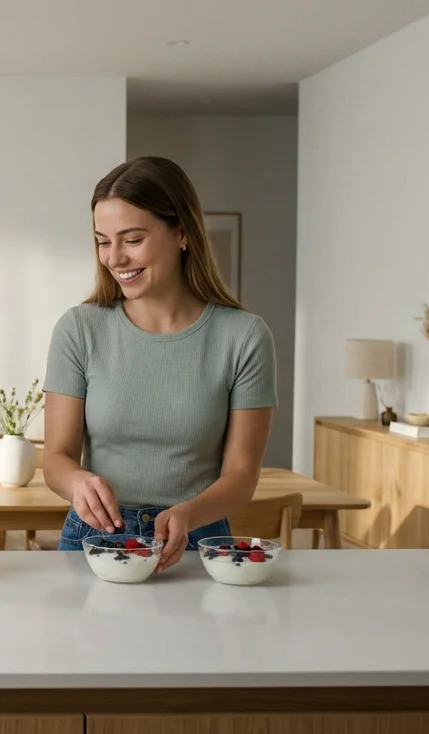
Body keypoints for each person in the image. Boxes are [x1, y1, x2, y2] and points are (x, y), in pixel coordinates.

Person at [42, 156, 276, 572]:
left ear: (182, 233)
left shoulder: (243, 337)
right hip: (94, 541)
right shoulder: (79, 329)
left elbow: (241, 477)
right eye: (102, 240)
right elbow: (57, 458)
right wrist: (77, 481)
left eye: (132, 240)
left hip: (197, 540)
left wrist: (188, 513)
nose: (114, 258)